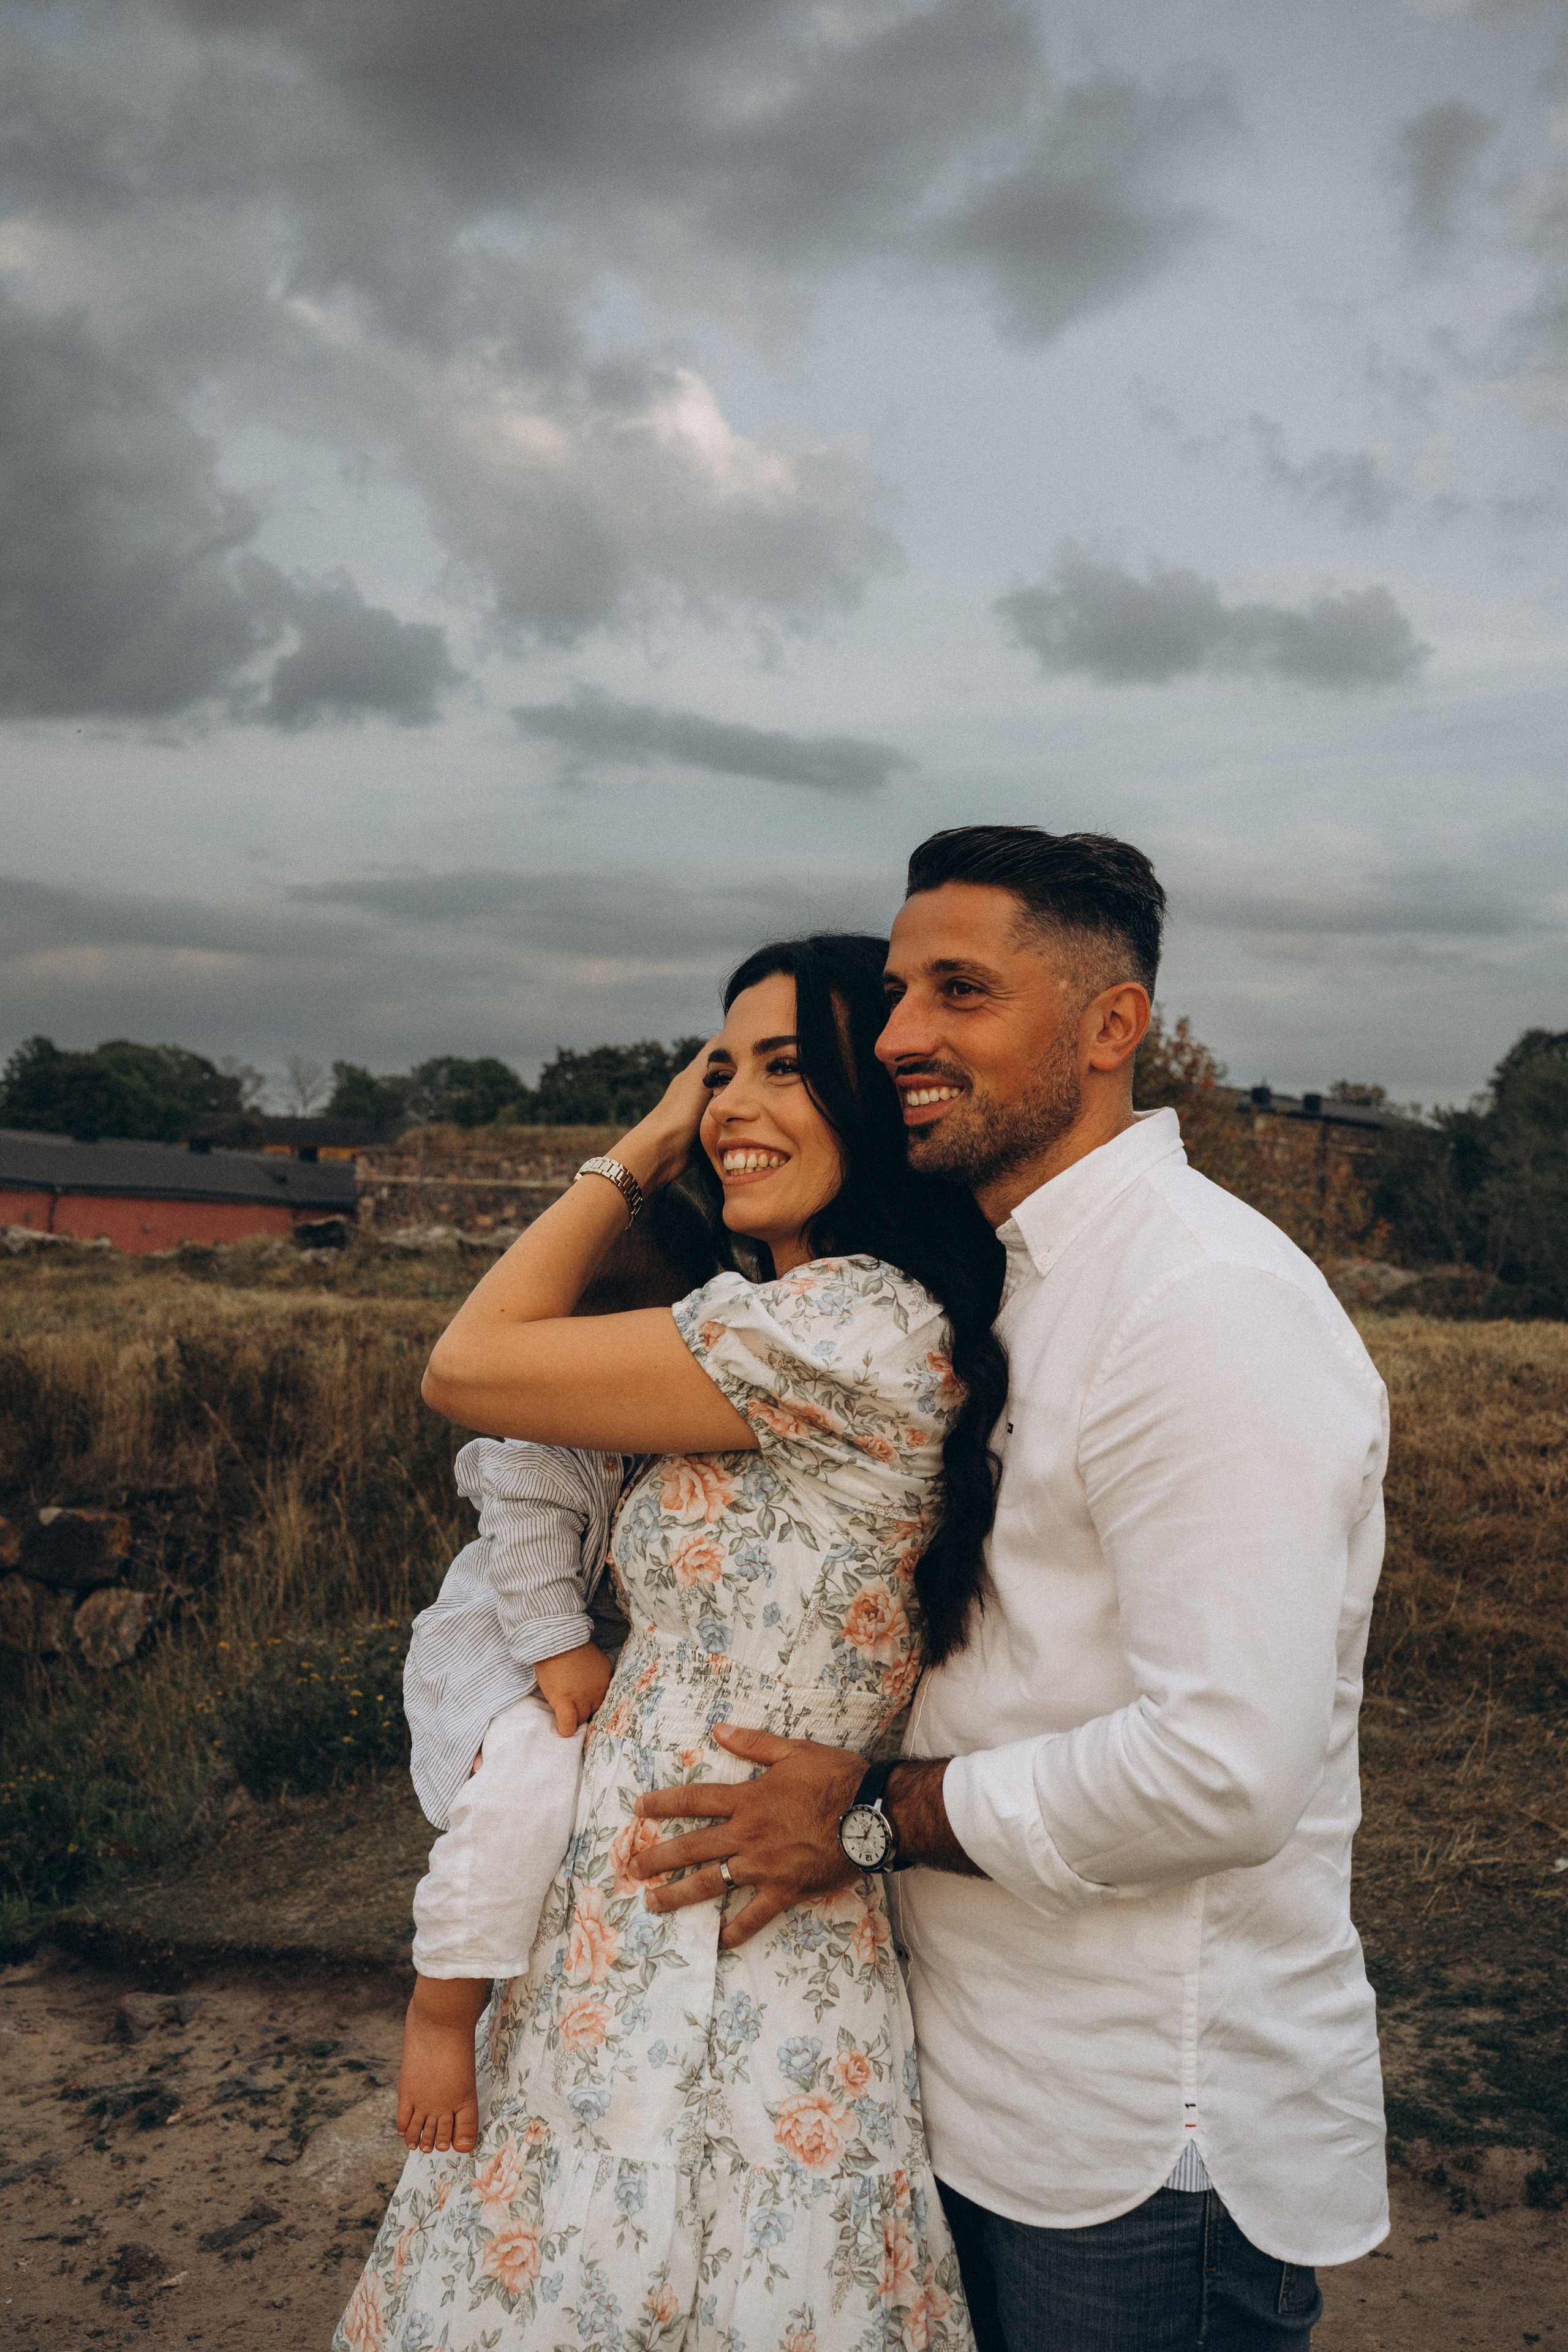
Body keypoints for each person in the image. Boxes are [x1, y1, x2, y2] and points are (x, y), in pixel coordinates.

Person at [629, 828, 1390, 2352]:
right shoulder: (1000, 1279)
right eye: (900, 989)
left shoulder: (1201, 1305)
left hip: (1129, 2130)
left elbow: (1223, 1773)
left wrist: (865, 1811)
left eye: (959, 991)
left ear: (1113, 1028)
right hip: (961, 2076)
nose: (899, 1033)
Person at [338, 932, 1007, 2352]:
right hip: (627, 1911)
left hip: (731, 1930)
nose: (729, 1107)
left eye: (783, 1069)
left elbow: (466, 1363)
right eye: (716, 1072)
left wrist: (634, 1150)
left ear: (871, 1099)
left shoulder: (846, 1327)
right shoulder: (766, 1318)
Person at [397, 1193, 722, 2160]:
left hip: (602, 1636)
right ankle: (443, 2010)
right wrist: (559, 1652)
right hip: (506, 1635)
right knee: (531, 1781)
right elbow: (530, 1549)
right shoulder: (539, 1429)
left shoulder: (688, 1402)